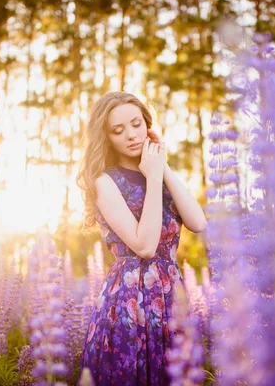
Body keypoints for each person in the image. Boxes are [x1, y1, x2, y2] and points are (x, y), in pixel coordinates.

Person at [76, 91, 207, 385]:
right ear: (106, 137)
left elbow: (198, 222)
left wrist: (162, 167)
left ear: (148, 126)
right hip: (129, 299)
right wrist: (152, 178)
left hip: (171, 295)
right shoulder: (105, 182)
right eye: (118, 130)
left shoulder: (158, 173)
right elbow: (145, 246)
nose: (131, 135)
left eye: (136, 124)